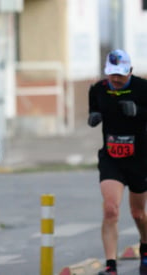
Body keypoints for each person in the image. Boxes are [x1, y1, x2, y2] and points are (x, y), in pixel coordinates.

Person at [88, 49, 147, 275]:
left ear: (130, 71)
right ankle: (111, 266)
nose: (115, 79)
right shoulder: (98, 89)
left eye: (120, 75)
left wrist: (138, 111)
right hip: (111, 158)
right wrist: (94, 117)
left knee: (138, 213)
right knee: (111, 209)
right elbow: (93, 111)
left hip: (139, 159)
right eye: (112, 74)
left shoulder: (142, 88)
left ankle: (145, 247)